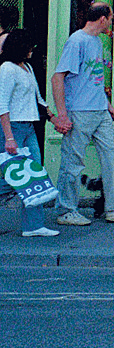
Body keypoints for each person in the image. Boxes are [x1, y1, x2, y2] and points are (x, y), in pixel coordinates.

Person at [51, 2, 114, 225]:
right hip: (79, 111)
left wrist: (108, 106)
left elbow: (95, 79)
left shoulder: (97, 42)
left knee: (112, 156)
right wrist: (62, 114)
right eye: (111, 17)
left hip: (99, 111)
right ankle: (66, 210)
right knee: (73, 162)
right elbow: (58, 77)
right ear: (102, 18)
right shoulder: (76, 41)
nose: (111, 21)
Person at [1, 29, 58, 237]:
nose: (32, 50)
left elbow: (38, 99)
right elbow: (2, 105)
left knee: (34, 176)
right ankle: (33, 225)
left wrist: (52, 117)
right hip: (13, 128)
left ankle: (33, 226)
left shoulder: (27, 68)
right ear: (20, 47)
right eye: (29, 46)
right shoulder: (7, 69)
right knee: (9, 177)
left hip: (29, 127)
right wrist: (8, 137)